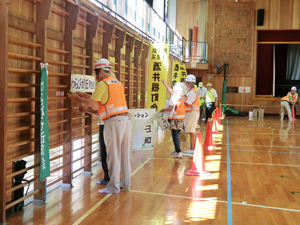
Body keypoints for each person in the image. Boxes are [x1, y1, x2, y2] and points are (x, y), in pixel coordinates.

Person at [67, 58, 131, 194]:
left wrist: (76, 99)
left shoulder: (103, 84)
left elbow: (90, 103)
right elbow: (102, 102)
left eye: (97, 72)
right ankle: (126, 184)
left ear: (101, 70)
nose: (96, 76)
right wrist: (85, 97)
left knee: (113, 155)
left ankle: (113, 186)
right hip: (125, 121)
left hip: (113, 123)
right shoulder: (118, 83)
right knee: (124, 155)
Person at [161, 80, 187, 159]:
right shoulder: (182, 96)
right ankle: (176, 150)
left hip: (175, 119)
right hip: (181, 119)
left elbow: (169, 108)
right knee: (177, 135)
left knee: (175, 136)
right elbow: (171, 91)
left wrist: (162, 110)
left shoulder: (173, 98)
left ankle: (179, 151)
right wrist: (165, 83)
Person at [184, 74, 200, 154]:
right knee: (191, 131)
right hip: (192, 113)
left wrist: (181, 100)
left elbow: (188, 103)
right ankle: (192, 148)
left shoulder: (192, 93)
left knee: (191, 131)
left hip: (192, 113)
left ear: (189, 83)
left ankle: (192, 148)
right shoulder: (191, 91)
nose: (185, 83)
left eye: (186, 82)